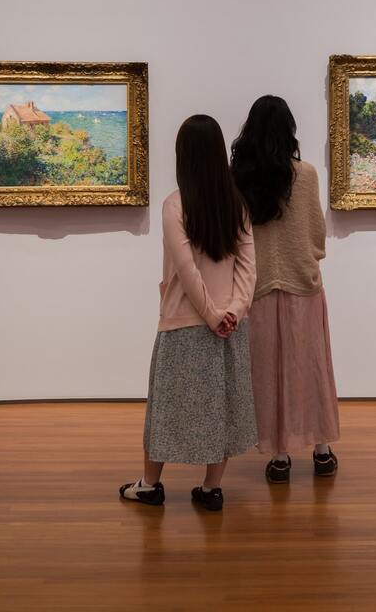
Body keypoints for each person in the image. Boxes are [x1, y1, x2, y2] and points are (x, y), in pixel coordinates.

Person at [119, 115, 257, 511]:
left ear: (183, 156)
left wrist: (213, 314)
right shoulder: (237, 204)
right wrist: (232, 311)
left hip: (184, 323)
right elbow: (249, 268)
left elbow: (186, 270)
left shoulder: (175, 205)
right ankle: (212, 488)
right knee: (221, 407)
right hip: (229, 327)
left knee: (164, 408)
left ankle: (150, 484)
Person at [230, 95, 340, 483]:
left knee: (267, 370)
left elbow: (235, 237)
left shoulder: (240, 176)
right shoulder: (305, 174)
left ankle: (278, 456)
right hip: (302, 283)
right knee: (310, 368)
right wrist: (309, 256)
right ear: (288, 130)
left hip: (256, 287)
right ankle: (322, 450)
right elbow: (316, 233)